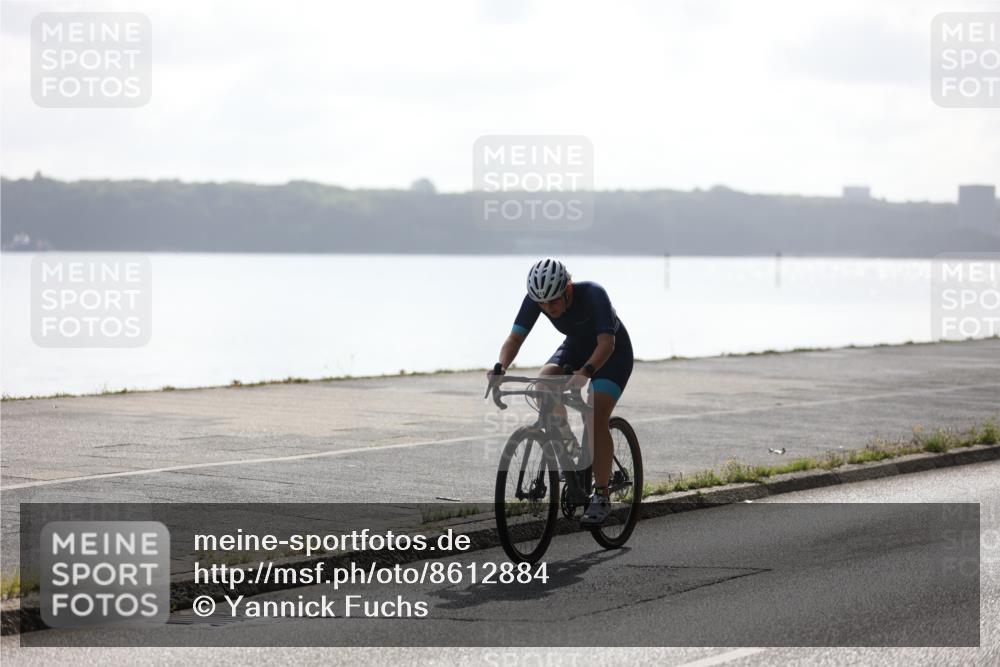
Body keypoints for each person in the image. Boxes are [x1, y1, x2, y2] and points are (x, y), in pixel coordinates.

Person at [489, 258, 634, 525]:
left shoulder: (593, 293)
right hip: (576, 347)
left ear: (567, 289)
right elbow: (515, 338)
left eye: (553, 301)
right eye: (542, 303)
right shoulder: (537, 300)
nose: (548, 308)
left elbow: (607, 343)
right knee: (543, 385)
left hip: (612, 354)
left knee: (594, 416)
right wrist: (501, 367)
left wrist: (585, 372)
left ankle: (602, 495)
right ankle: (569, 448)